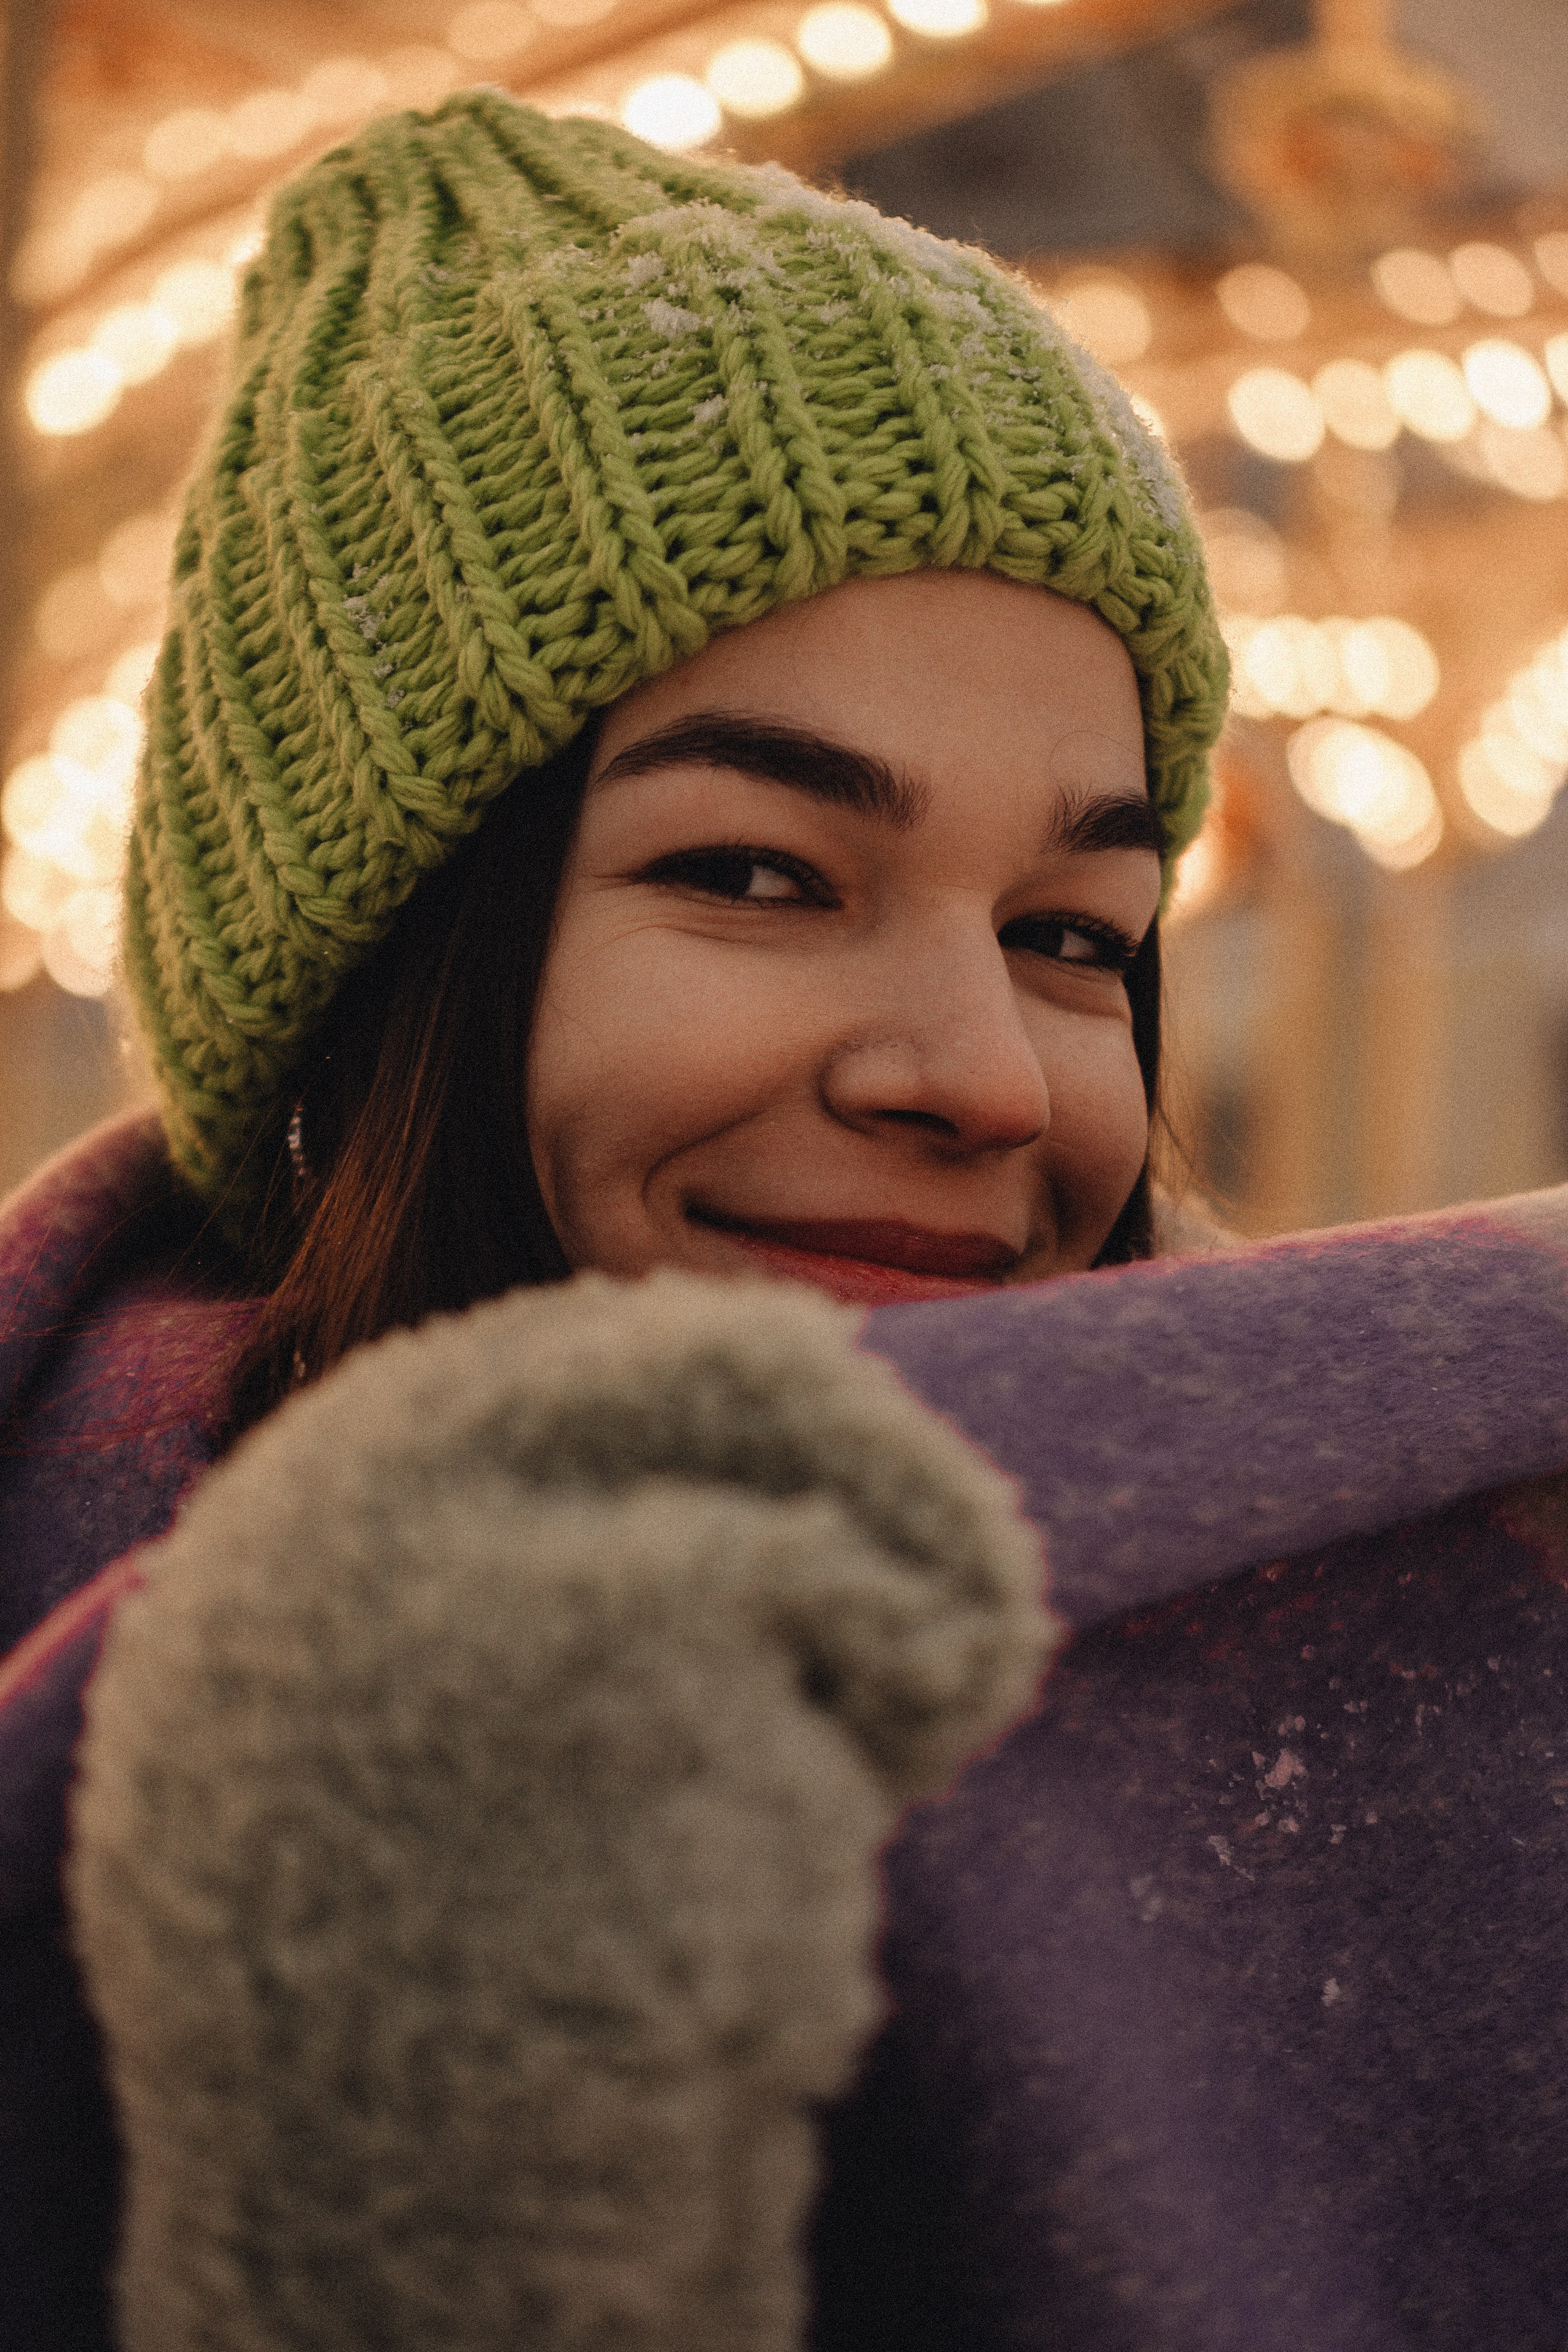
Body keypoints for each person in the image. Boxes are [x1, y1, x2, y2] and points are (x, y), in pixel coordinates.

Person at [6, 88, 1568, 2352]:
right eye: (756, 874)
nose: (981, 1073)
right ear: (381, 974)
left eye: (1077, 932)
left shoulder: (1417, 1665)